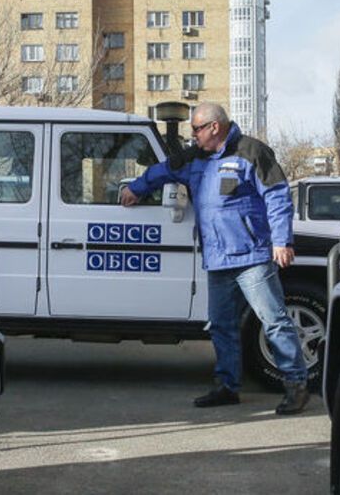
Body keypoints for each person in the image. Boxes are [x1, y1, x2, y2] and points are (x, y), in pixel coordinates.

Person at [121, 103, 309, 415]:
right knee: (221, 326)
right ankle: (227, 387)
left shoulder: (251, 152)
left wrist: (281, 241)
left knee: (274, 322)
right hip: (218, 260)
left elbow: (277, 195)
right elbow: (163, 170)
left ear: (214, 127)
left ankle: (296, 385)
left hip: (252, 257)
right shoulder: (194, 157)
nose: (192, 135)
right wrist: (136, 188)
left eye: (196, 129)